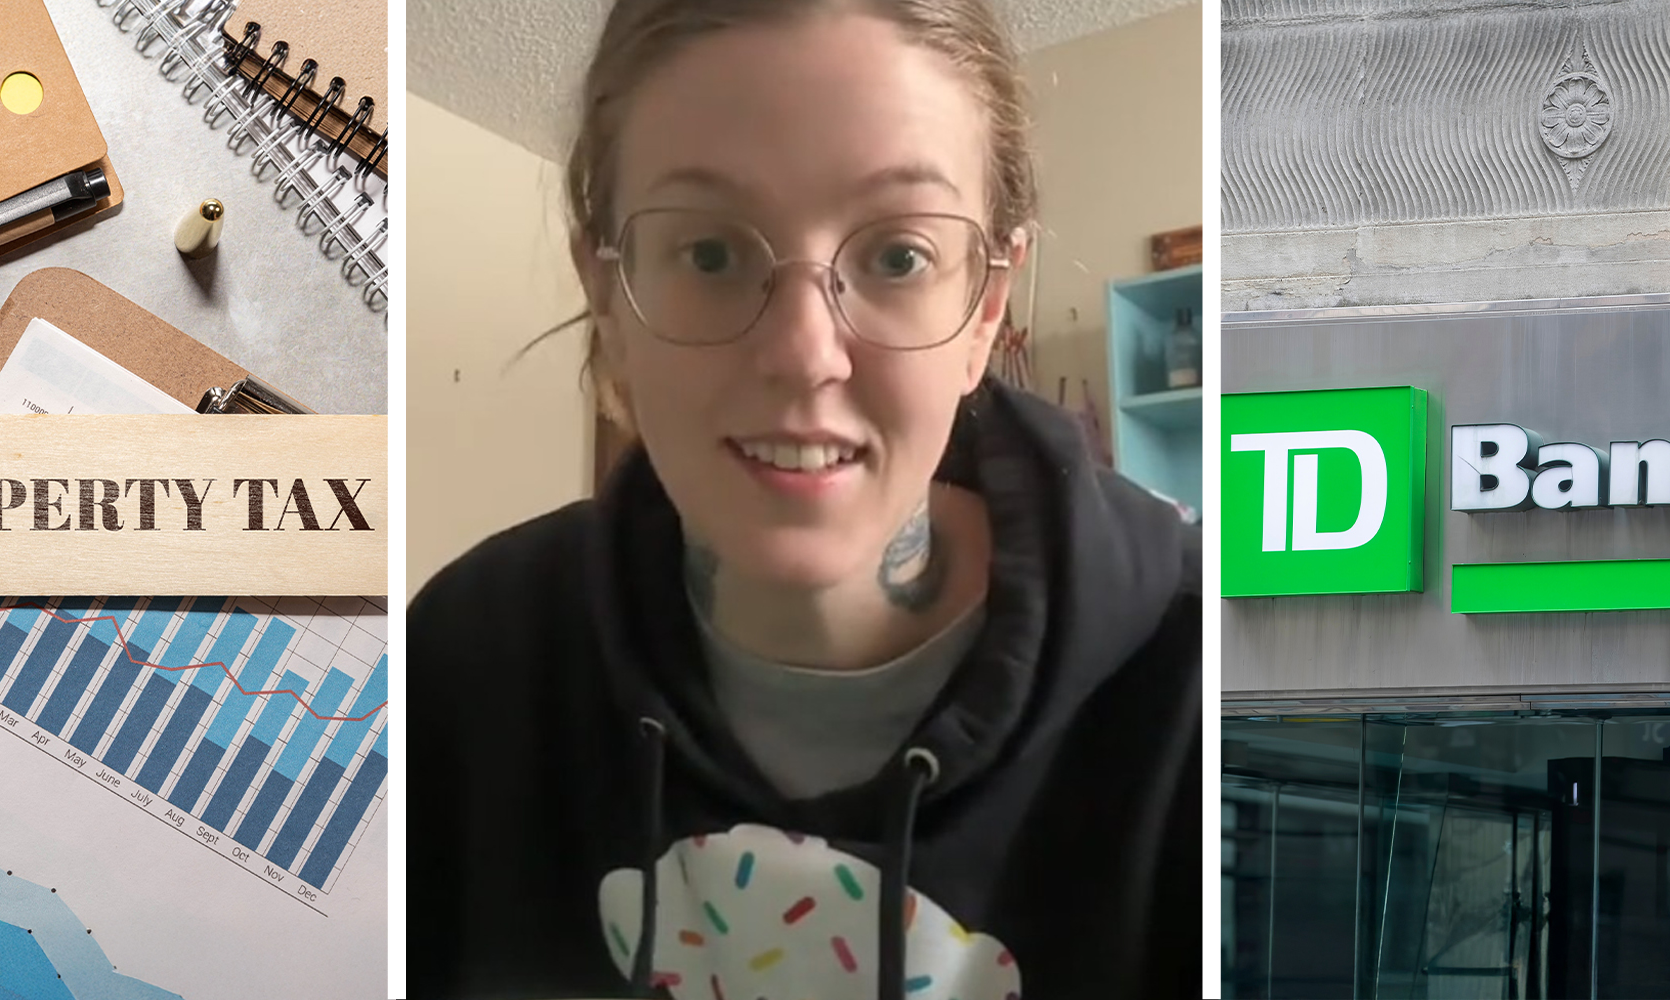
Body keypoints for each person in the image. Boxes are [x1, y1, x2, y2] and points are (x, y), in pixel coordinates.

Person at [407, 0, 1200, 996]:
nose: (802, 352)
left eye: (896, 256)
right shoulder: (468, 661)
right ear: (607, 297)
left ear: (984, 306)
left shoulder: (1193, 694)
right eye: (708, 253)